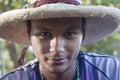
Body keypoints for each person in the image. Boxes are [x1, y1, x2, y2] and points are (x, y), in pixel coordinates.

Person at [0, 0, 120, 80]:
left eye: (70, 33)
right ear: (29, 35)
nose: (57, 48)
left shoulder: (112, 71)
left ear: (82, 35)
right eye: (44, 34)